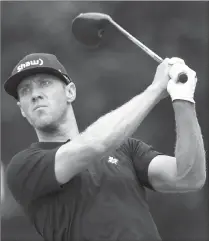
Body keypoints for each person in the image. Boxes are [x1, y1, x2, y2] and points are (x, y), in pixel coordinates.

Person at [4, 53, 206, 241]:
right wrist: (155, 89)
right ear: (22, 109)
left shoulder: (126, 148)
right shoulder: (24, 165)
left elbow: (189, 177)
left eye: (44, 83)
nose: (35, 94)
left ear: (70, 92)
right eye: (25, 90)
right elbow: (95, 145)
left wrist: (183, 99)